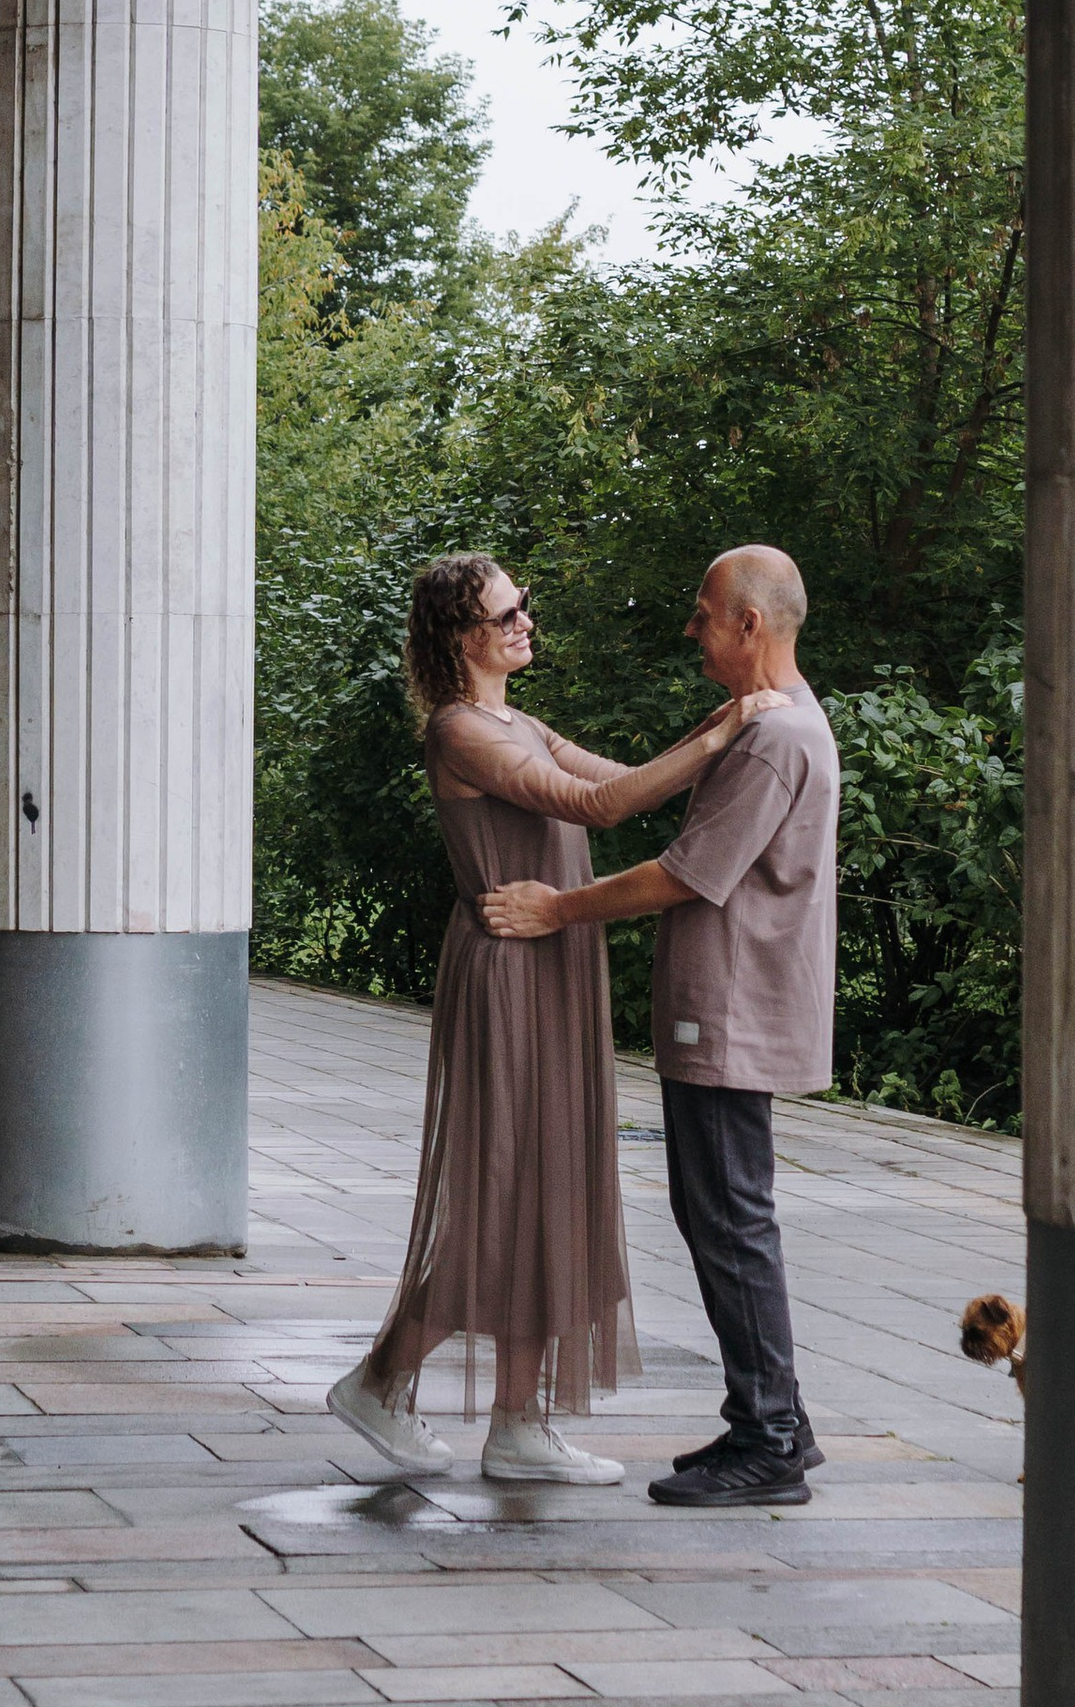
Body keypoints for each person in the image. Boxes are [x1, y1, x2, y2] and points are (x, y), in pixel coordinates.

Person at [328, 555, 763, 1488]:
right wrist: (729, 727)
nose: (528, 619)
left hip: (555, 961)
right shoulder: (460, 730)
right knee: (503, 1193)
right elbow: (597, 804)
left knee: (547, 1186)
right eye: (508, 610)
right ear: (463, 636)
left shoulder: (519, 721)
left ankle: (518, 1424)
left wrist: (726, 729)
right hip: (509, 969)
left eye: (525, 604)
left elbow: (633, 779)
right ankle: (380, 1380)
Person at [482, 544, 835, 1509]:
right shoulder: (766, 725)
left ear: (750, 625)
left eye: (704, 612)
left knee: (728, 1218)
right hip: (727, 1009)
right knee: (721, 1212)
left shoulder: (775, 738)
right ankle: (774, 1419)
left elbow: (685, 872)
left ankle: (768, 1437)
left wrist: (556, 908)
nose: (693, 628)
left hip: (731, 1013)